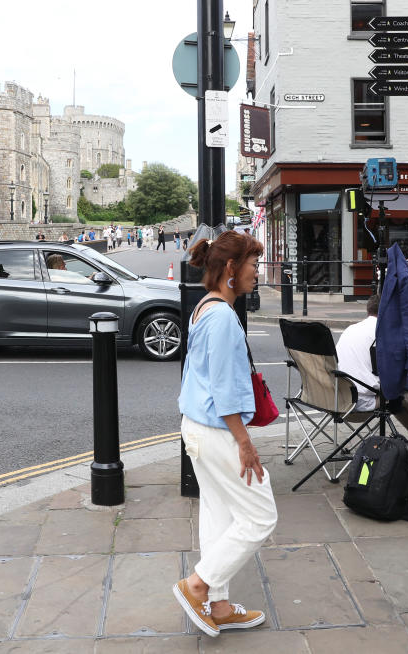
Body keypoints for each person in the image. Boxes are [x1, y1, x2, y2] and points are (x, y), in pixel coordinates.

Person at [174, 231, 276, 637]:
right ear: (232, 269)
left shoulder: (205, 307)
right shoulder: (221, 317)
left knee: (219, 515)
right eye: (253, 264)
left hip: (199, 428)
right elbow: (223, 389)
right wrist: (245, 443)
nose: (257, 272)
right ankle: (196, 586)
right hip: (217, 432)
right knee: (261, 516)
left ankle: (218, 606)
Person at [336, 295, 408, 438]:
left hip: (338, 401)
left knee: (395, 398)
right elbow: (396, 376)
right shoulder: (384, 334)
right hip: (363, 404)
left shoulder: (350, 329)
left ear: (368, 310)